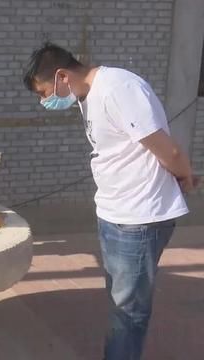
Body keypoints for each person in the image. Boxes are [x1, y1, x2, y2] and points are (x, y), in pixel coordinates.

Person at [23, 42, 199, 360]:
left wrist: (185, 175)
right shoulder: (86, 96)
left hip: (138, 219)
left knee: (128, 313)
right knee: (120, 305)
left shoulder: (119, 88)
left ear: (62, 76)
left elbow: (168, 149)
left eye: (44, 92)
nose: (43, 100)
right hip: (113, 213)